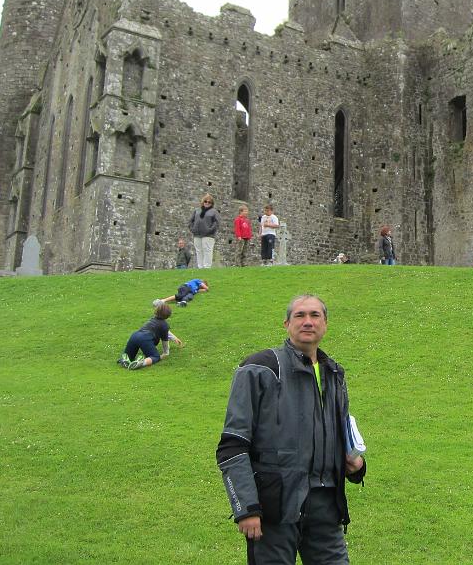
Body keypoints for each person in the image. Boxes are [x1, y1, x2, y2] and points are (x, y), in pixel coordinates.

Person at [216, 294, 367, 565]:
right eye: (299, 316)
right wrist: (246, 508)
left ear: (325, 324)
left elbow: (342, 434)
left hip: (325, 508)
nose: (307, 322)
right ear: (286, 323)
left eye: (315, 315)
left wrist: (356, 464)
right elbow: (233, 444)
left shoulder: (335, 374)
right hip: (275, 507)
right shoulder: (261, 368)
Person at [118, 303, 184, 370]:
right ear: (168, 315)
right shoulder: (164, 325)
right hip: (145, 339)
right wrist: (165, 353)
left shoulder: (153, 319)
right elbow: (165, 342)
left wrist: (174, 337)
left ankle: (125, 359)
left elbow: (164, 330)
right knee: (155, 356)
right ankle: (141, 362)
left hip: (135, 335)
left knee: (130, 356)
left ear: (156, 311)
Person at [190, 193, 220, 269]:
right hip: (197, 234)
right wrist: (192, 229)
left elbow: (216, 223)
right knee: (199, 251)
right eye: (205, 201)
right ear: (203, 202)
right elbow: (191, 221)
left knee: (207, 250)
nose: (207, 203)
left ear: (212, 203)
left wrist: (210, 230)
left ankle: (207, 267)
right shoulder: (197, 210)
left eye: (209, 202)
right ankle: (200, 267)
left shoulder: (214, 212)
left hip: (208, 235)